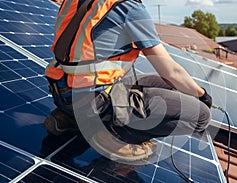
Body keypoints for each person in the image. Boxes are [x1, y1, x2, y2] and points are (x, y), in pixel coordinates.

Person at [44, 0, 212, 163]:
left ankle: (69, 118)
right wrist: (202, 95)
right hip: (92, 101)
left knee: (167, 85)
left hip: (62, 90)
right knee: (202, 115)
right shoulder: (129, 8)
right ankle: (114, 137)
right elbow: (171, 71)